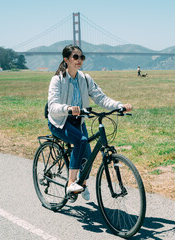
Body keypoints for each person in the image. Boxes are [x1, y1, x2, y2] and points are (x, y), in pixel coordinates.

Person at [47, 44, 132, 201]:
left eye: (82, 57)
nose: (79, 60)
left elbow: (101, 98)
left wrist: (119, 106)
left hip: (78, 121)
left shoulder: (85, 79)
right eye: (75, 57)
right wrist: (69, 108)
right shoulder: (57, 80)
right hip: (60, 121)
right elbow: (52, 106)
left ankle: (82, 184)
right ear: (66, 59)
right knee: (81, 140)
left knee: (88, 156)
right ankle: (71, 183)